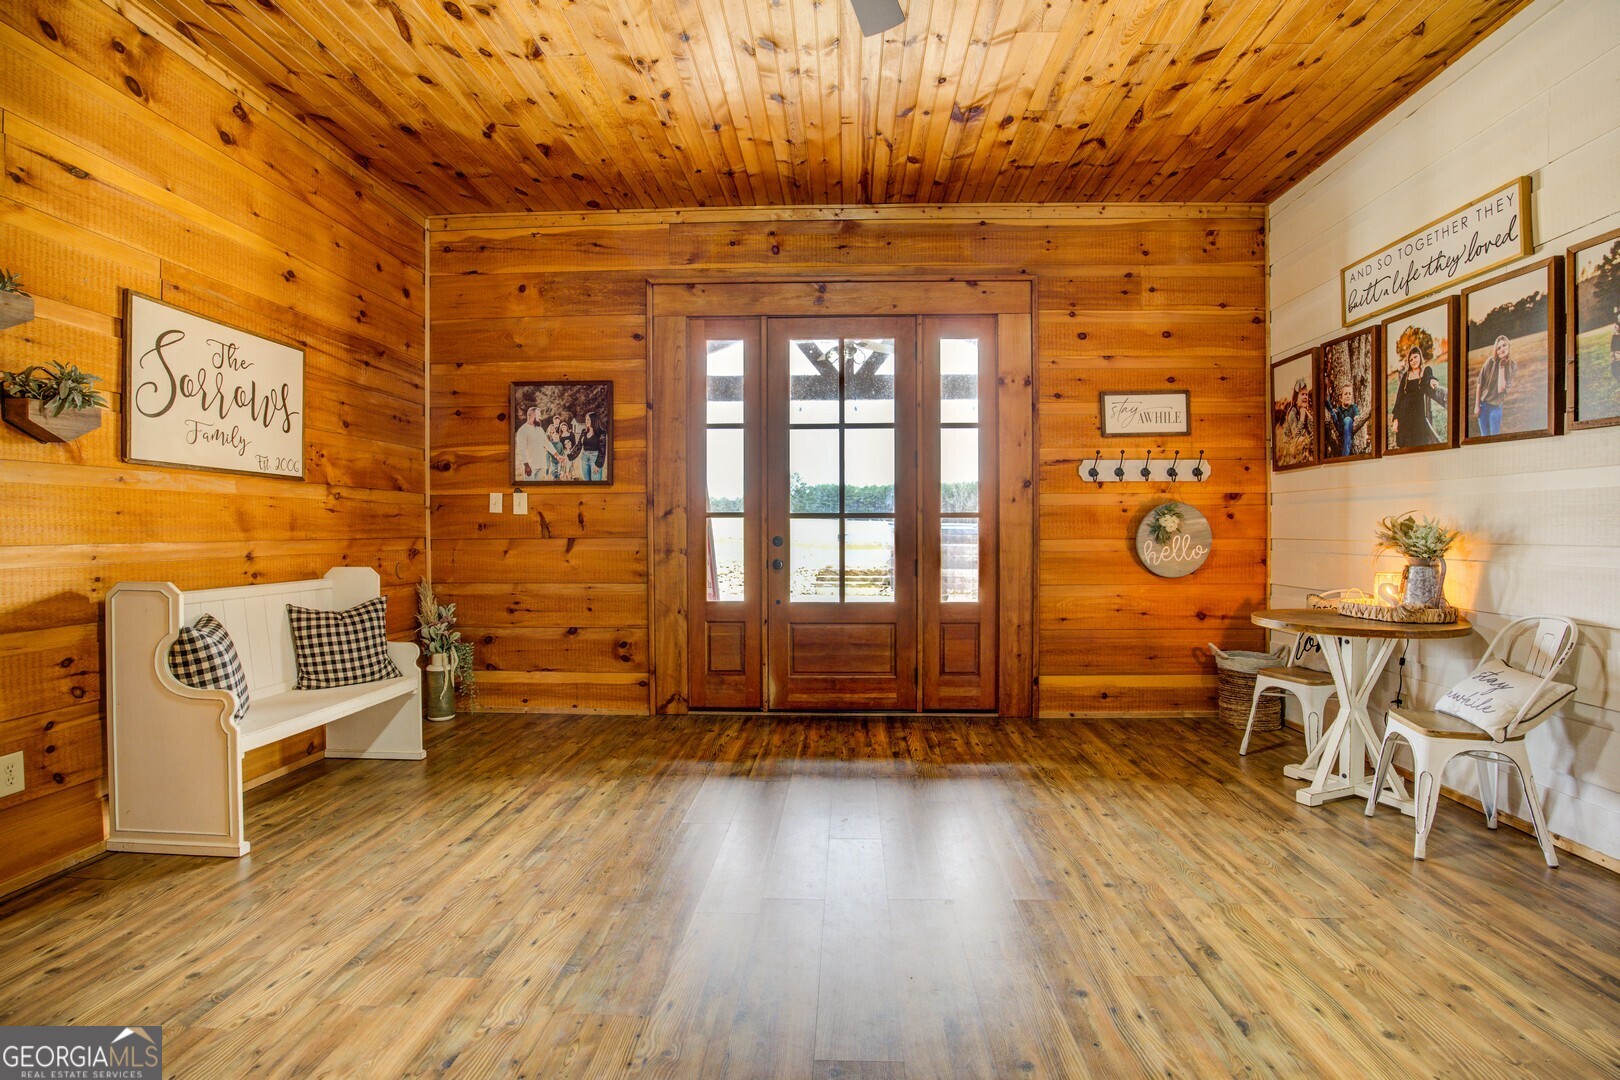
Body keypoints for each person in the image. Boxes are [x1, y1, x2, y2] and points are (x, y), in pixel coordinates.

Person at [1389, 331, 1445, 448]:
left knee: (1418, 445)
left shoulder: (1425, 371)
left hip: (1417, 415)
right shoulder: (1406, 375)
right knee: (1405, 446)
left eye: (1415, 357)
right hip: (1404, 414)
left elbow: (1429, 377)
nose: (1413, 361)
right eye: (1411, 359)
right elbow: (1400, 397)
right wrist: (1396, 419)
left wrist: (1432, 380)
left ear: (1420, 356)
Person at [1476, 334, 1514, 437]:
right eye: (1498, 348)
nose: (1502, 349)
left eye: (1504, 345)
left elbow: (1501, 389)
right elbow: (1479, 384)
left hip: (1495, 407)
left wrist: (1501, 367)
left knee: (1494, 437)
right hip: (1483, 405)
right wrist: (1477, 406)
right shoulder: (1490, 362)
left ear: (1508, 346)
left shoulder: (1512, 366)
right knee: (1484, 436)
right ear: (1496, 351)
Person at [1324, 381, 1368, 457]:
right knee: (1333, 412)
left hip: (1348, 429)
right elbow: (1335, 419)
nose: (1348, 396)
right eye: (1346, 394)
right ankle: (1325, 399)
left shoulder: (1353, 407)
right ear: (1341, 398)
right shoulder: (1339, 409)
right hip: (1340, 428)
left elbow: (1356, 417)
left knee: (1347, 419)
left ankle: (1345, 454)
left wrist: (1356, 417)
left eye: (1349, 394)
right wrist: (1334, 412)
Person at [514, 405, 549, 480]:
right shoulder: (522, 430)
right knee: (529, 486)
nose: (540, 418)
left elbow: (546, 443)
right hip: (530, 467)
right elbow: (521, 449)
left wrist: (557, 455)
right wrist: (526, 465)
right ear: (531, 416)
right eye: (538, 416)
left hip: (541, 465)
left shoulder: (540, 429)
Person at [578, 411, 607, 481]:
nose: (586, 421)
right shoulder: (584, 432)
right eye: (586, 419)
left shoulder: (601, 432)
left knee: (596, 483)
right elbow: (578, 445)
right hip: (584, 458)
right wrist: (568, 456)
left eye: (588, 419)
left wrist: (598, 464)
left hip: (595, 459)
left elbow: (602, 450)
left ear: (594, 420)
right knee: (587, 482)